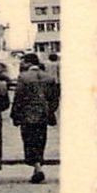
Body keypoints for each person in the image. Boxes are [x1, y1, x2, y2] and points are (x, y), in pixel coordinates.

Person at [11, 53, 60, 184]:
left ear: (28, 63)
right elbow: (55, 98)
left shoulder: (23, 77)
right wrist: (50, 111)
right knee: (40, 140)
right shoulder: (48, 78)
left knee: (29, 141)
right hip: (43, 115)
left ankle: (37, 167)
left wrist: (15, 115)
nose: (21, 64)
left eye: (23, 62)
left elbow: (18, 98)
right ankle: (38, 167)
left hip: (27, 116)